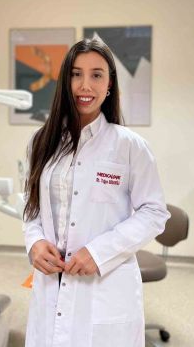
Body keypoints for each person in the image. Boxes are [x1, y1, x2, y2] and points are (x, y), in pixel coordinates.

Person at [22, 38, 170, 347]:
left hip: (105, 281)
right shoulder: (42, 142)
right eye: (76, 74)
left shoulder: (129, 146)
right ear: (65, 81)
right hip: (51, 279)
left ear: (109, 84)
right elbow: (32, 206)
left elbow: (154, 212)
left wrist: (100, 252)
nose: (85, 85)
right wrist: (34, 242)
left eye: (96, 75)